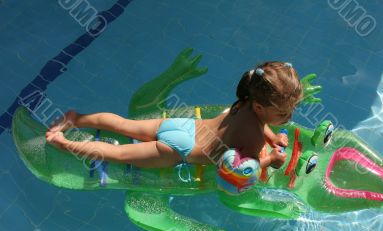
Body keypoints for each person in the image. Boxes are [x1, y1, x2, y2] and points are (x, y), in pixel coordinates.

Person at [46, 61, 303, 170]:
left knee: (125, 125)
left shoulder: (244, 102)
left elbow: (258, 123)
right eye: (282, 112)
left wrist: (272, 136)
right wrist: (270, 159)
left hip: (184, 126)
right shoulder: (255, 136)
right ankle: (64, 144)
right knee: (120, 154)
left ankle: (76, 118)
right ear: (260, 107)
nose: (289, 116)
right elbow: (241, 169)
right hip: (181, 149)